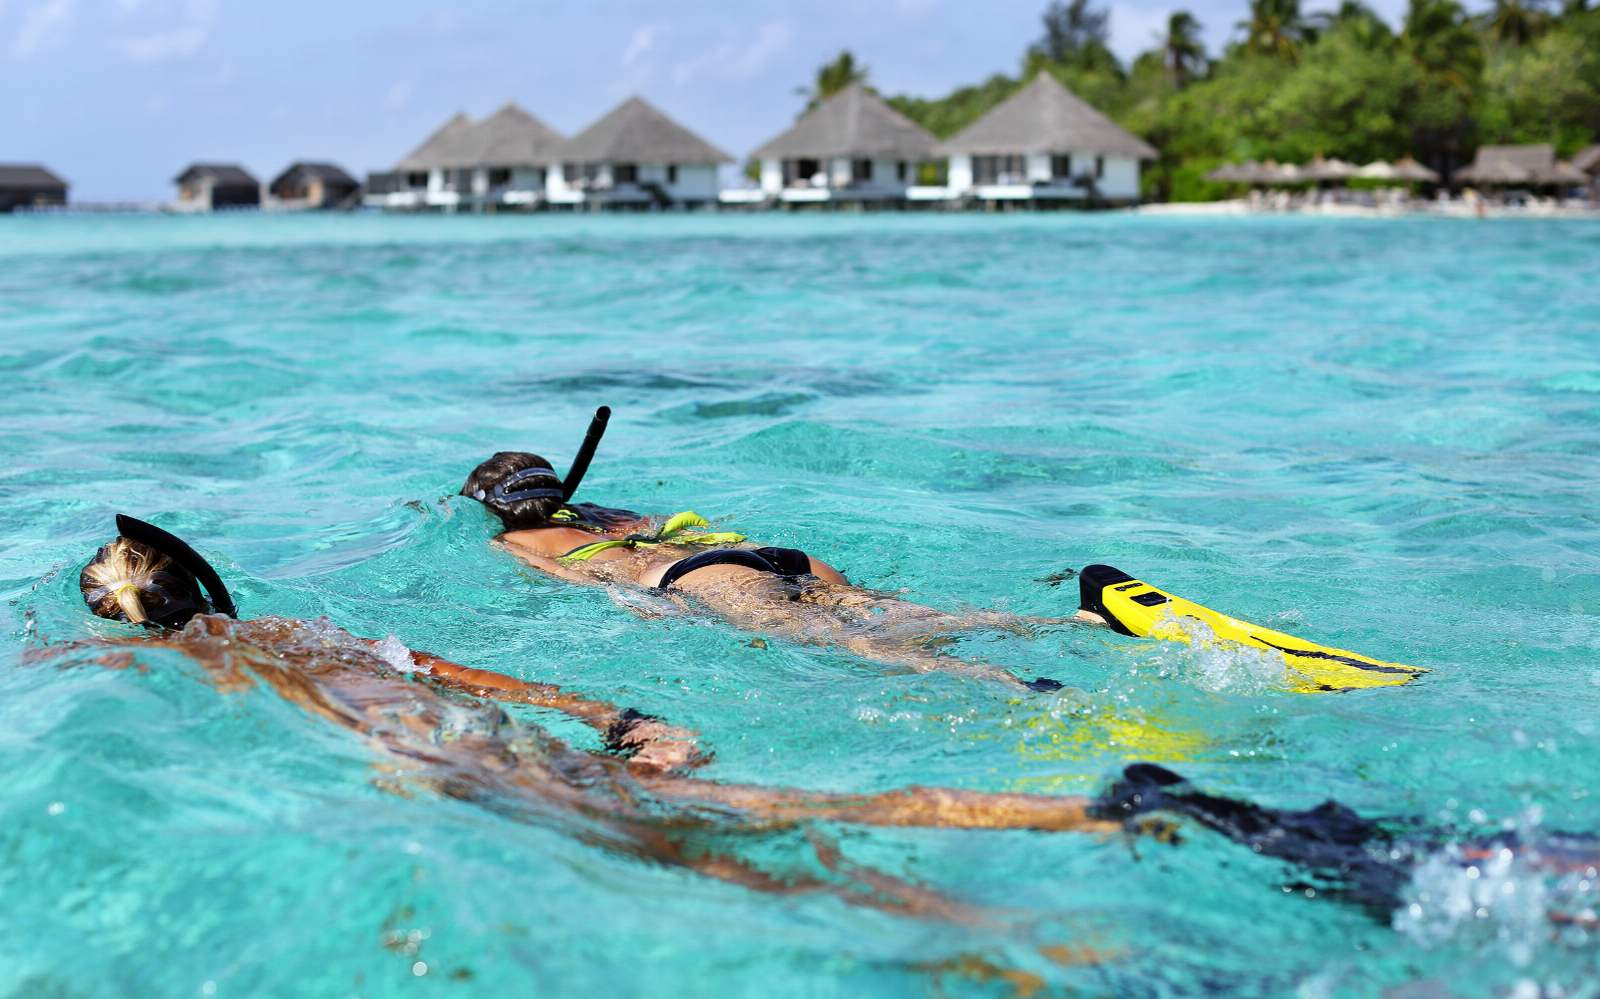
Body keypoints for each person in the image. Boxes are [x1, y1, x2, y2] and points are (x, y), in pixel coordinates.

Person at [59, 521, 1585, 937]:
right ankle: (1109, 821)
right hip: (494, 731)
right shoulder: (293, 625)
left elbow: (108, 670)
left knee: (772, 862)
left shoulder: (210, 660)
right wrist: (621, 708)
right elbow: (458, 660)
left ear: (140, 613)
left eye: (94, 596)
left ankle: (1085, 879)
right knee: (768, 817)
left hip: (459, 768)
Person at [460, 420, 1422, 694]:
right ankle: (1078, 618)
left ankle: (1016, 685)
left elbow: (587, 591)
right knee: (889, 614)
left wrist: (648, 611)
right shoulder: (608, 506)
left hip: (695, 579)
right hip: (765, 550)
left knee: (865, 652)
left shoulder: (528, 543)